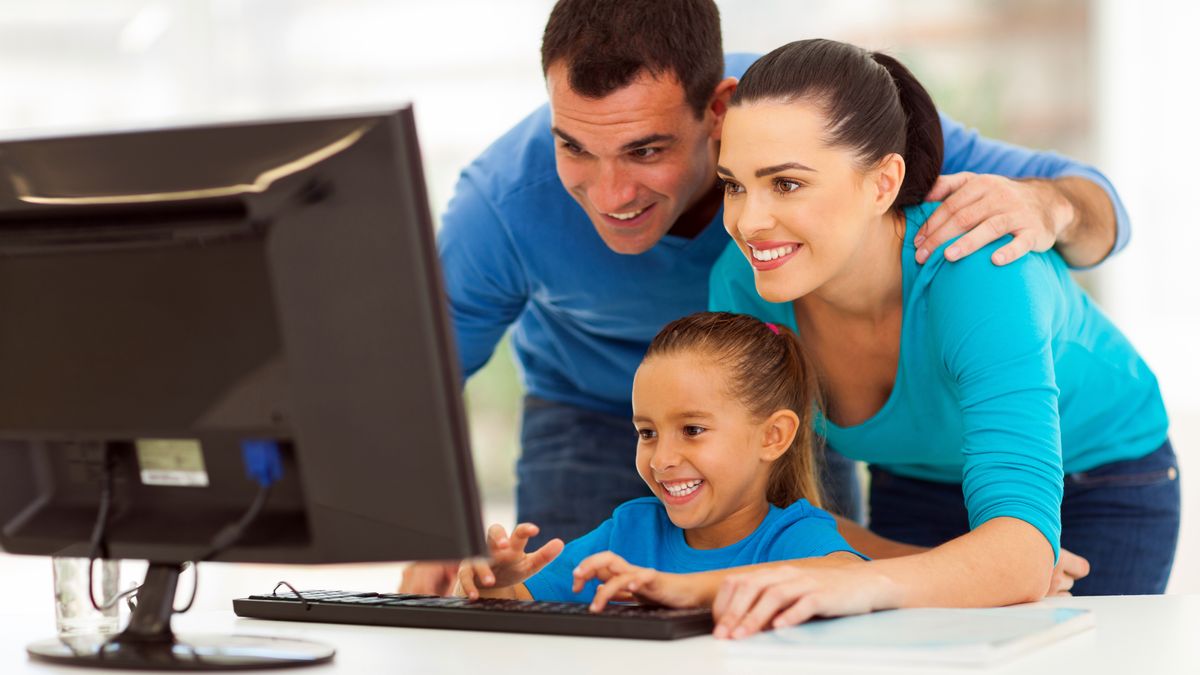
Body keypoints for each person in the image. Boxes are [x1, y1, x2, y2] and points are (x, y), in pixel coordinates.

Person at [404, 0, 1132, 594]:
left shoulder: (803, 119)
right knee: (570, 628)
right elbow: (419, 388)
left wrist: (1050, 206)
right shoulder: (503, 205)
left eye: (647, 150)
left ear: (717, 110)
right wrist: (430, 537)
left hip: (783, 389)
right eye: (575, 149)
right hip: (590, 403)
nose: (612, 194)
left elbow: (1088, 200)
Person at [704, 39, 1178, 638]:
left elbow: (1020, 549)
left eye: (788, 184)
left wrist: (999, 562)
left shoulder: (980, 273)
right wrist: (979, 566)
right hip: (917, 474)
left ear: (883, 183)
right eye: (735, 185)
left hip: (1095, 477)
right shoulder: (741, 284)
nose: (747, 222)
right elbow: (771, 512)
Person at [455, 312, 864, 609]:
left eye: (692, 430)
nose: (663, 459)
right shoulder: (629, 532)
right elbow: (516, 611)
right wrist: (495, 587)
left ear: (773, 437)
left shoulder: (794, 537)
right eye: (647, 433)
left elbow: (855, 580)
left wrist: (688, 588)